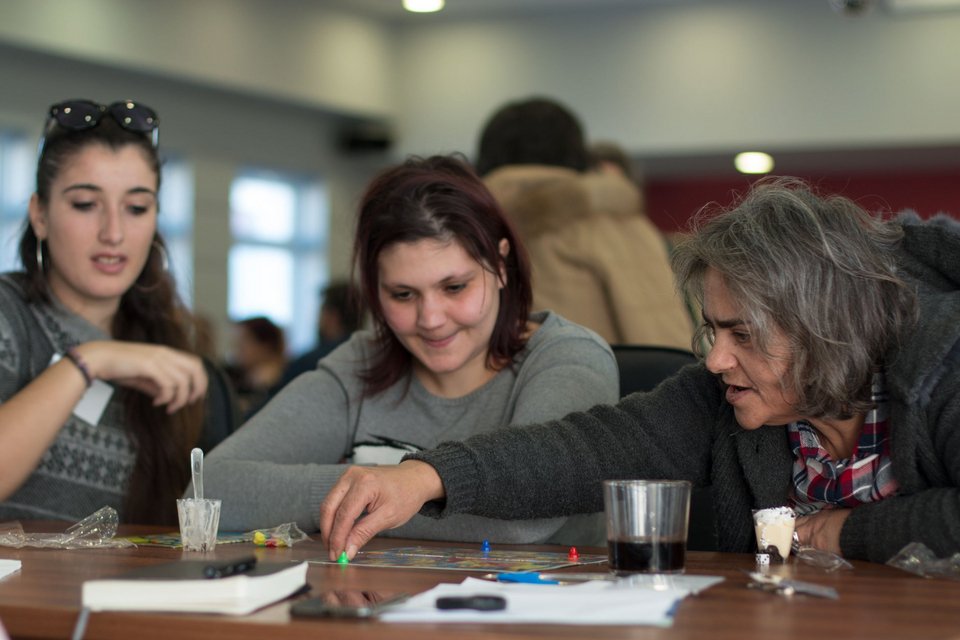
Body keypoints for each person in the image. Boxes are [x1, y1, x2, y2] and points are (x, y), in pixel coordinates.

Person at [320, 177, 960, 564]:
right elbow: (588, 448)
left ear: (830, 328)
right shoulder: (725, 398)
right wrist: (429, 475)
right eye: (714, 329)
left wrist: (850, 532)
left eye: (743, 334)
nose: (715, 358)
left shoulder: (944, 365)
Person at [203, 155, 619, 544]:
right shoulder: (359, 363)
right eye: (403, 295)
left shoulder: (567, 358)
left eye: (454, 287)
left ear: (501, 265)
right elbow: (210, 490)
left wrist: (384, 490)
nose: (431, 318)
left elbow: (523, 515)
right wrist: (371, 486)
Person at [0, 99, 209, 525]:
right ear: (39, 214)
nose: (113, 233)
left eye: (136, 208)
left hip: (120, 590)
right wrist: (92, 359)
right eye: (84, 204)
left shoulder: (163, 344)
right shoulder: (10, 316)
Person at [475, 96, 694, 349]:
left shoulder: (464, 226)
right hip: (606, 383)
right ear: (577, 154)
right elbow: (660, 334)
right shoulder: (608, 223)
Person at [271, 280, 363, 392]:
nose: (317, 320)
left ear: (332, 316)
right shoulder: (370, 357)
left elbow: (277, 401)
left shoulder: (310, 362)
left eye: (320, 311)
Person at [226, 315, 287, 418]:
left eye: (242, 344)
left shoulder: (275, 386)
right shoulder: (242, 377)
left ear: (265, 346)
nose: (236, 350)